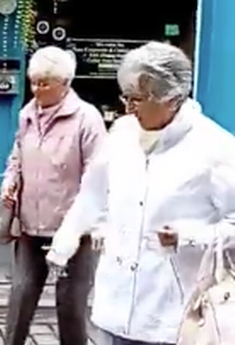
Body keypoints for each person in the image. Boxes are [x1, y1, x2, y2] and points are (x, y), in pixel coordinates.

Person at [46, 41, 235, 345]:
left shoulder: (216, 148)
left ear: (171, 98)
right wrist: (64, 243)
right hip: (114, 306)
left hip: (174, 315)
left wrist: (188, 236)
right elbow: (93, 194)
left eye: (137, 98)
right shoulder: (121, 134)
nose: (128, 107)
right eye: (126, 96)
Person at [0, 46, 107, 345]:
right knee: (20, 297)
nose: (36, 89)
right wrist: (9, 182)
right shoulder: (26, 115)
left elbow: (97, 176)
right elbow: (16, 156)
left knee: (71, 306)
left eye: (44, 83)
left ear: (65, 83)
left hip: (73, 230)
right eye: (33, 81)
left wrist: (87, 223)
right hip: (30, 225)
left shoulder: (87, 118)